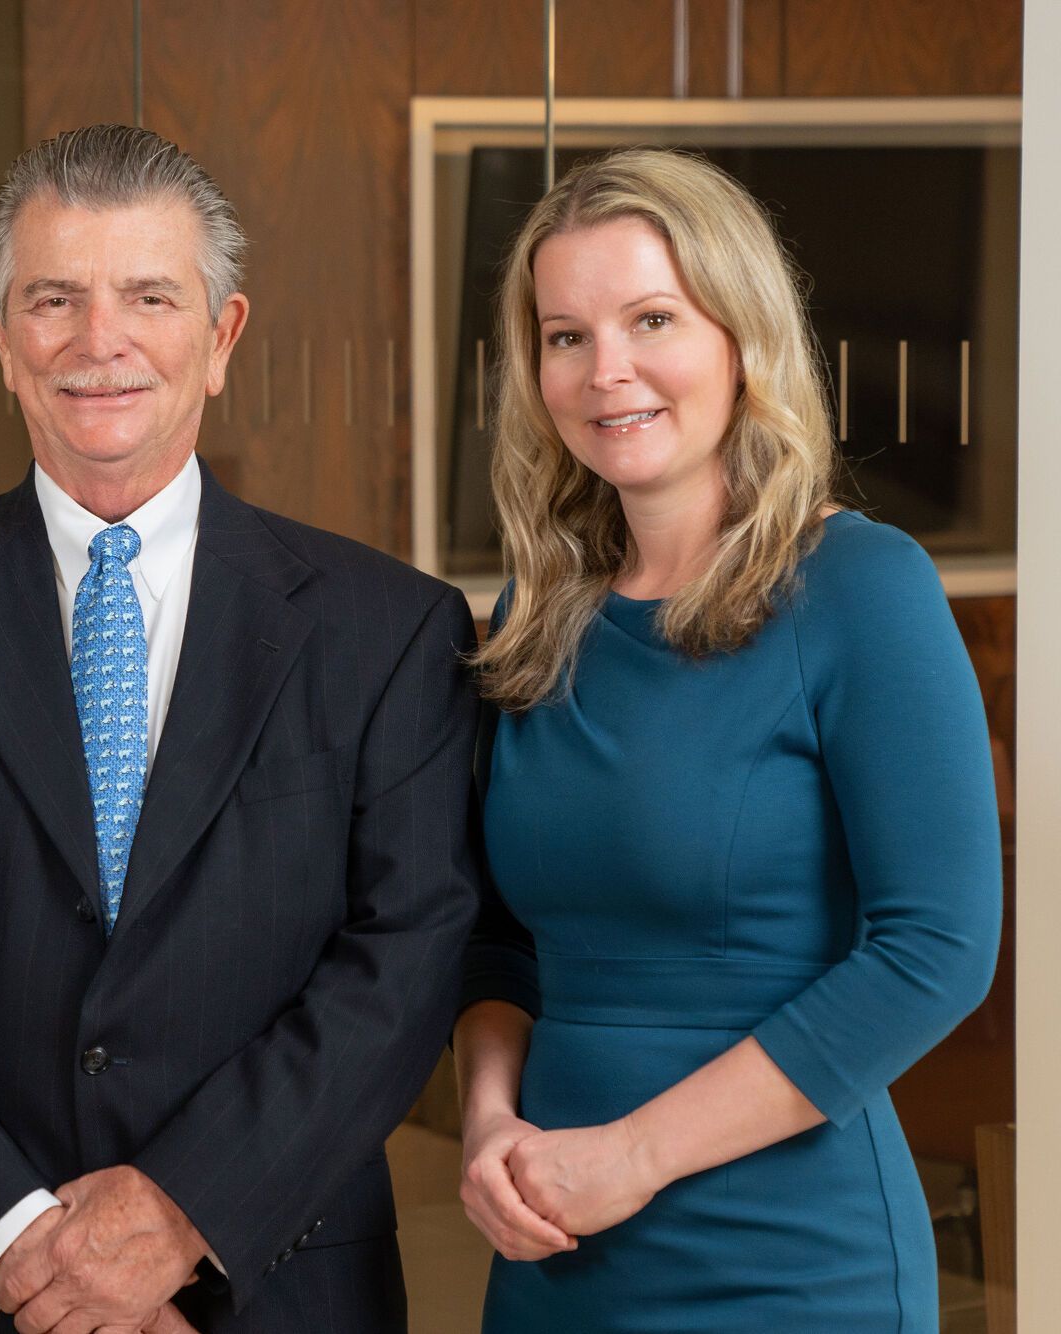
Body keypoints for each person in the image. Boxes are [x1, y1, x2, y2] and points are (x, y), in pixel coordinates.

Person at [0, 122, 480, 1334]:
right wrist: (22, 1249)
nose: (99, 340)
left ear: (222, 336)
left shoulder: (388, 629)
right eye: (53, 298)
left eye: (149, 296)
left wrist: (177, 1213)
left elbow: (404, 959)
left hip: (271, 1286)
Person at [455, 147, 1002, 1331]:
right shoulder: (533, 611)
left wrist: (633, 1155)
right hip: (549, 1247)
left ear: (739, 333)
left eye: (650, 318)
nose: (605, 370)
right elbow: (499, 939)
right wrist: (488, 1120)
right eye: (564, 335)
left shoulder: (860, 585)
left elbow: (938, 947)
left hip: (788, 1261)